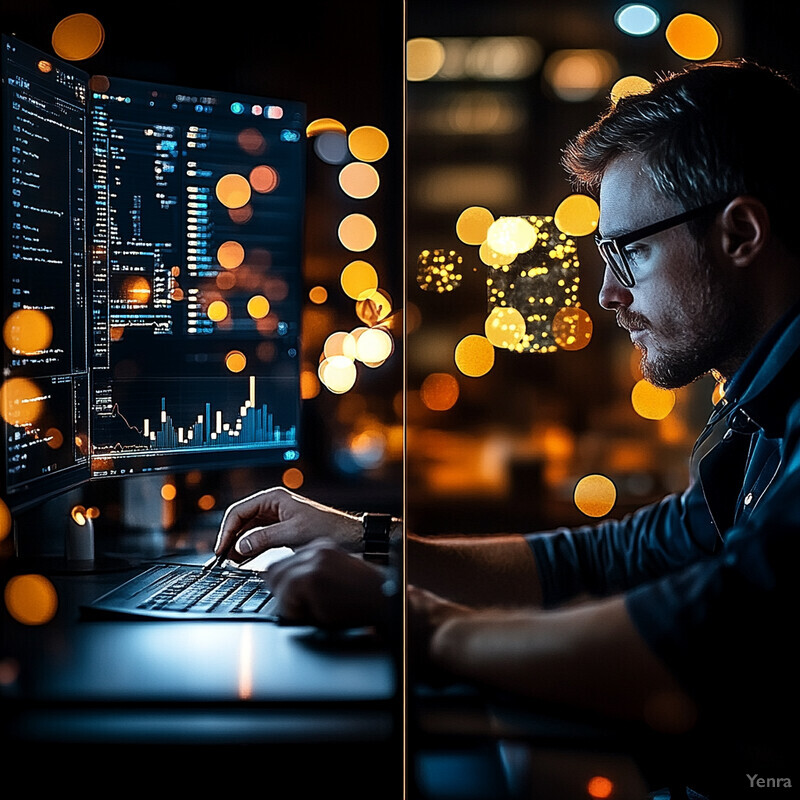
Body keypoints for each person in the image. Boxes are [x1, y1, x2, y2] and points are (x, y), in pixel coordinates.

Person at [213, 59, 799, 798]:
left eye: (632, 250)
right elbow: (619, 559)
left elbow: (701, 634)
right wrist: (370, 541)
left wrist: (410, 619)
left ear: (741, 232)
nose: (609, 293)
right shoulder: (759, 412)